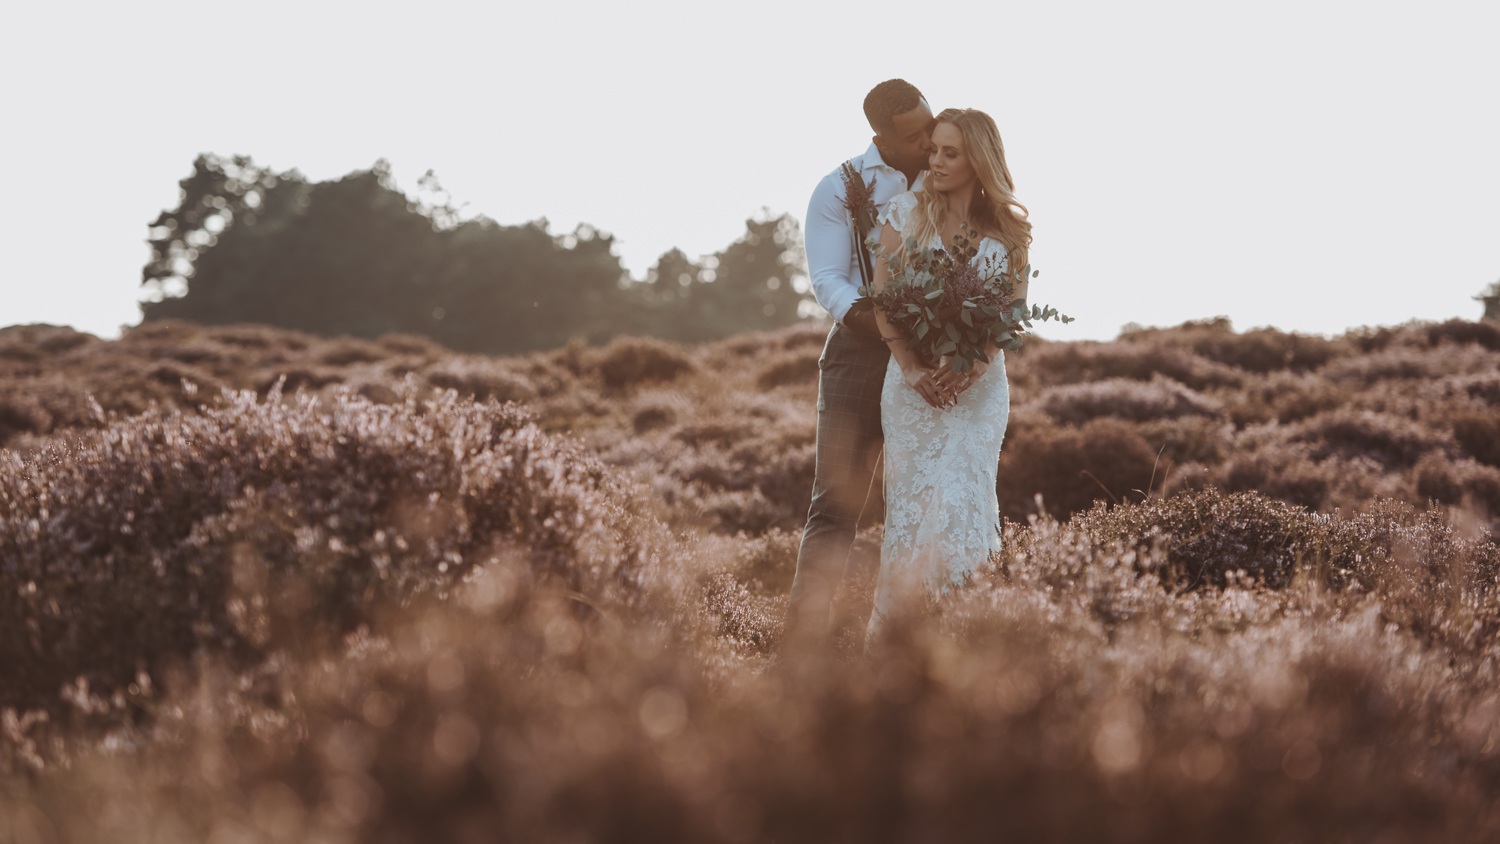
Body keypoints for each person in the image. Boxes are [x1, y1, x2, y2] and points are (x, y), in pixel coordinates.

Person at [865, 108, 1032, 638]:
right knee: (914, 510)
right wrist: (912, 368)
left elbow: (1014, 313)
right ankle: (904, 637)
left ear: (978, 160)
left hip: (979, 394)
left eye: (949, 153)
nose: (934, 160)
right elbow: (883, 299)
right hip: (914, 390)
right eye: (933, 149)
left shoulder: (1010, 231)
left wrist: (976, 364)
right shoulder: (906, 212)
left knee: (966, 502)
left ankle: (969, 633)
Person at [784, 80, 936, 646]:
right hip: (856, 356)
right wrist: (893, 334)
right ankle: (801, 649)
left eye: (929, 125)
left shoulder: (951, 170)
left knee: (927, 503)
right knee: (834, 507)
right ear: (880, 138)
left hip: (937, 357)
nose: (927, 142)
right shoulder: (838, 187)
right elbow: (828, 280)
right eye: (913, 135)